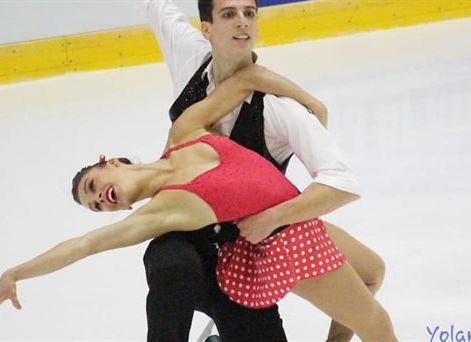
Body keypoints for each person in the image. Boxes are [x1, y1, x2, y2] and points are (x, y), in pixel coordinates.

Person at [0, 63, 397, 342]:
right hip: (283, 241)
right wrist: (16, 272)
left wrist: (312, 104)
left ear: (113, 161)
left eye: (93, 186)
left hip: (298, 217)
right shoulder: (163, 211)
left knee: (372, 271)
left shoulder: (185, 130)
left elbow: (247, 78)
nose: (100, 200)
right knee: (376, 324)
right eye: (97, 206)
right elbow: (85, 245)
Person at [141, 0, 389, 340]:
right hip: (196, 233)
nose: (242, 22)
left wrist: (271, 219)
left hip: (257, 238)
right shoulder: (190, 57)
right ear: (207, 28)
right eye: (229, 14)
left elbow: (341, 180)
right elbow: (158, 6)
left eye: (249, 13)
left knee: (372, 271)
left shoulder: (278, 109)